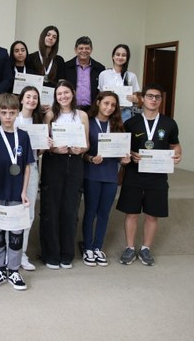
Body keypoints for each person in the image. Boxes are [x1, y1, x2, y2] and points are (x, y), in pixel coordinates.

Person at [117, 84, 182, 266]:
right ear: (142, 99)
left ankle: (146, 248)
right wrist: (129, 154)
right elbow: (123, 148)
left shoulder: (169, 123)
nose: (153, 100)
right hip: (134, 174)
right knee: (131, 213)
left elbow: (175, 145)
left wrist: (178, 154)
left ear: (160, 101)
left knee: (152, 215)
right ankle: (129, 248)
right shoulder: (131, 123)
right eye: (150, 96)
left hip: (158, 176)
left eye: (157, 97)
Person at [0, 93, 34, 290]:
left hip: (16, 193)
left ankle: (14, 270)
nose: (7, 116)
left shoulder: (23, 135)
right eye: (3, 112)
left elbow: (27, 166)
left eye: (12, 112)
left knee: (15, 233)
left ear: (17, 113)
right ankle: (0, 268)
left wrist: (24, 192)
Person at [39, 80, 89, 269]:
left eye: (66, 92)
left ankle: (67, 253)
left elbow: (87, 145)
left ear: (73, 93)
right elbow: (46, 142)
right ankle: (50, 254)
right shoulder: (50, 114)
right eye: (59, 94)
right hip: (54, 163)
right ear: (55, 97)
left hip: (75, 163)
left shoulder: (82, 115)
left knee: (70, 208)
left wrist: (80, 150)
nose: (63, 97)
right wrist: (52, 148)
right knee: (51, 209)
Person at [81, 91, 130, 267]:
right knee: (90, 211)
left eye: (113, 105)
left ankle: (97, 247)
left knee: (104, 213)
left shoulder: (117, 124)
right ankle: (87, 247)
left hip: (111, 174)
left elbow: (120, 153)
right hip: (92, 173)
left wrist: (124, 160)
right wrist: (90, 158)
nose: (109, 107)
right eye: (106, 103)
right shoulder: (88, 122)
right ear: (98, 103)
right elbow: (82, 151)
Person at [15, 86, 52, 271]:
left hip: (33, 168)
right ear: (21, 99)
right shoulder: (13, 118)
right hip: (13, 171)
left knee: (28, 212)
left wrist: (46, 145)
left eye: (35, 98)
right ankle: (9, 251)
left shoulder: (39, 121)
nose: (31, 100)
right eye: (28, 96)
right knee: (12, 209)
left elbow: (41, 152)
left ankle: (22, 254)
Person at [56, 36, 105, 112]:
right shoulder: (66, 67)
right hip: (71, 109)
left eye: (87, 48)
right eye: (81, 48)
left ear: (91, 50)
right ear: (75, 50)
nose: (84, 51)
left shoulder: (99, 68)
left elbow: (102, 91)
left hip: (92, 110)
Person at [97, 44, 141, 123]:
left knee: (123, 134)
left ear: (127, 58)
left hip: (125, 113)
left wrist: (134, 99)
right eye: (117, 54)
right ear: (113, 57)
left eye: (123, 55)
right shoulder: (104, 74)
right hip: (107, 111)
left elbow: (136, 99)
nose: (120, 57)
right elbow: (100, 95)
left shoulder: (131, 76)